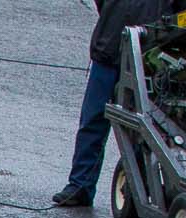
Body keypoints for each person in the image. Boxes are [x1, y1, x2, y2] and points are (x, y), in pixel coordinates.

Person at [53, 2, 170, 207]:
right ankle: (81, 185)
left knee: (144, 128)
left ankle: (139, 191)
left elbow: (185, 12)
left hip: (149, 57)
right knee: (93, 120)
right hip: (109, 48)